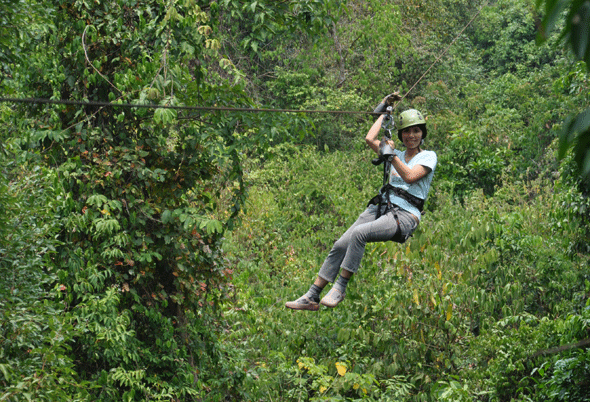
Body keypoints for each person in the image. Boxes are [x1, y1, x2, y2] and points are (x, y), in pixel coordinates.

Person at [285, 97, 437, 311]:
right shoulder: (398, 153)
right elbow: (369, 138)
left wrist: (391, 155)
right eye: (406, 132)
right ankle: (312, 296)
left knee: (360, 234)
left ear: (422, 134)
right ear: (401, 135)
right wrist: (385, 115)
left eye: (416, 131)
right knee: (340, 245)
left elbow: (411, 176)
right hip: (381, 207)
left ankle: (340, 287)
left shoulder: (429, 156)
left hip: (405, 215)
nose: (411, 136)